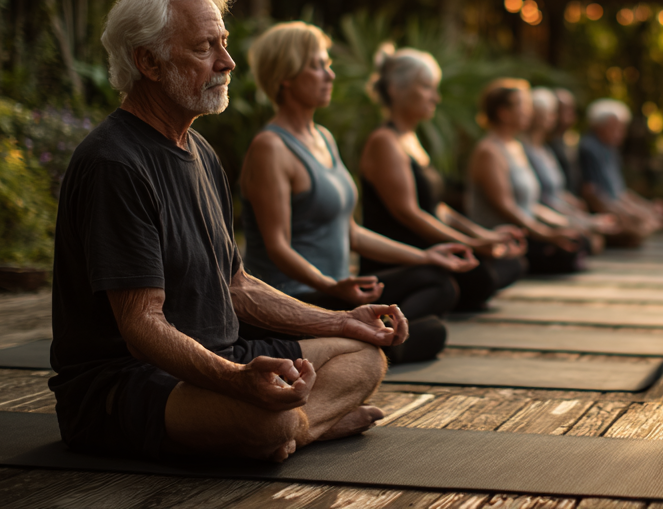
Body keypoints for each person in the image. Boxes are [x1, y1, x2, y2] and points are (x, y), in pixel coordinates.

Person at [50, 0, 398, 465]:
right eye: (203, 48)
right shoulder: (115, 163)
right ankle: (299, 429)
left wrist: (342, 319)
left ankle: (295, 431)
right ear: (148, 61)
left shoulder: (202, 151)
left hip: (225, 356)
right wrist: (238, 382)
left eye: (224, 43)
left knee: (363, 354)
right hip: (127, 383)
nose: (227, 62)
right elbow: (141, 325)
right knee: (268, 419)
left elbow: (237, 287)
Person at [239, 23, 478, 363]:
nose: (330, 75)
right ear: (285, 76)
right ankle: (363, 346)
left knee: (436, 279)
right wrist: (329, 287)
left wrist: (427, 255)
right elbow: (278, 247)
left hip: (339, 294)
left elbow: (350, 232)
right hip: (298, 301)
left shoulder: (324, 137)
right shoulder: (270, 148)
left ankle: (362, 345)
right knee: (433, 332)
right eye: (317, 66)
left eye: (328, 64)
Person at [359, 45, 528, 312]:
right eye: (427, 87)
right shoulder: (385, 142)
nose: (435, 97)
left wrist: (483, 237)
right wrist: (470, 244)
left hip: (433, 251)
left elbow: (438, 208)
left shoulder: (412, 139)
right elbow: (409, 214)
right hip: (400, 260)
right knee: (468, 279)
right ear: (395, 89)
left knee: (508, 263)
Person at [468, 79, 589, 274]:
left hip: (528, 231)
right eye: (522, 105)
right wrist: (546, 234)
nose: (529, 112)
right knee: (570, 251)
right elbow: (507, 207)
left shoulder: (515, 147)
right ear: (503, 113)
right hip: (502, 238)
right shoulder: (489, 151)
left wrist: (567, 224)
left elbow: (531, 204)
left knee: (578, 240)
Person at [523, 86, 616, 252]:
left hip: (558, 216)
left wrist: (583, 219)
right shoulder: (523, 150)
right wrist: (579, 223)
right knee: (585, 243)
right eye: (550, 113)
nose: (554, 118)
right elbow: (537, 202)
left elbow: (557, 194)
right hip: (541, 222)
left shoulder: (545, 149)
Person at [578, 98, 663, 247]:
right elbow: (592, 194)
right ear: (599, 126)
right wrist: (631, 217)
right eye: (615, 127)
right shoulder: (589, 148)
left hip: (615, 209)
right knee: (641, 229)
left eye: (621, 128)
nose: (621, 133)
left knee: (650, 223)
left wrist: (646, 208)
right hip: (602, 213)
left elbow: (620, 192)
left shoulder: (609, 150)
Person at [549, 88, 582, 193]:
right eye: (565, 109)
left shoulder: (572, 140)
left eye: (572, 109)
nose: (571, 114)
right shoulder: (545, 143)